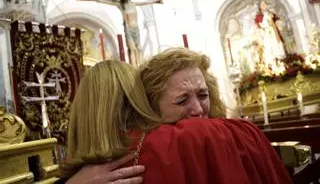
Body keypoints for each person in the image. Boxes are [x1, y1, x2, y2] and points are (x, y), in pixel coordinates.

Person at [63, 49, 292, 184]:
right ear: (147, 105)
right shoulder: (166, 146)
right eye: (182, 100)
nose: (198, 109)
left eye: (203, 95)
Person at [79, 0, 163, 67]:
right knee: (132, 49)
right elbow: (104, 1)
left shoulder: (133, 4)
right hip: (128, 29)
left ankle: (141, 65)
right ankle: (134, 66)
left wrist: (156, 0)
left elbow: (146, 2)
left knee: (139, 48)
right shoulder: (120, 5)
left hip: (136, 29)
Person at [255, 0, 287, 67]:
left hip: (274, 32)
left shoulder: (271, 13)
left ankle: (280, 63)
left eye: (265, 4)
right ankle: (272, 65)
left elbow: (277, 21)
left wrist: (277, 22)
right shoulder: (259, 16)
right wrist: (267, 19)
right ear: (260, 7)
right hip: (266, 33)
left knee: (277, 45)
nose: (264, 6)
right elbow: (260, 25)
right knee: (269, 47)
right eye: (262, 4)